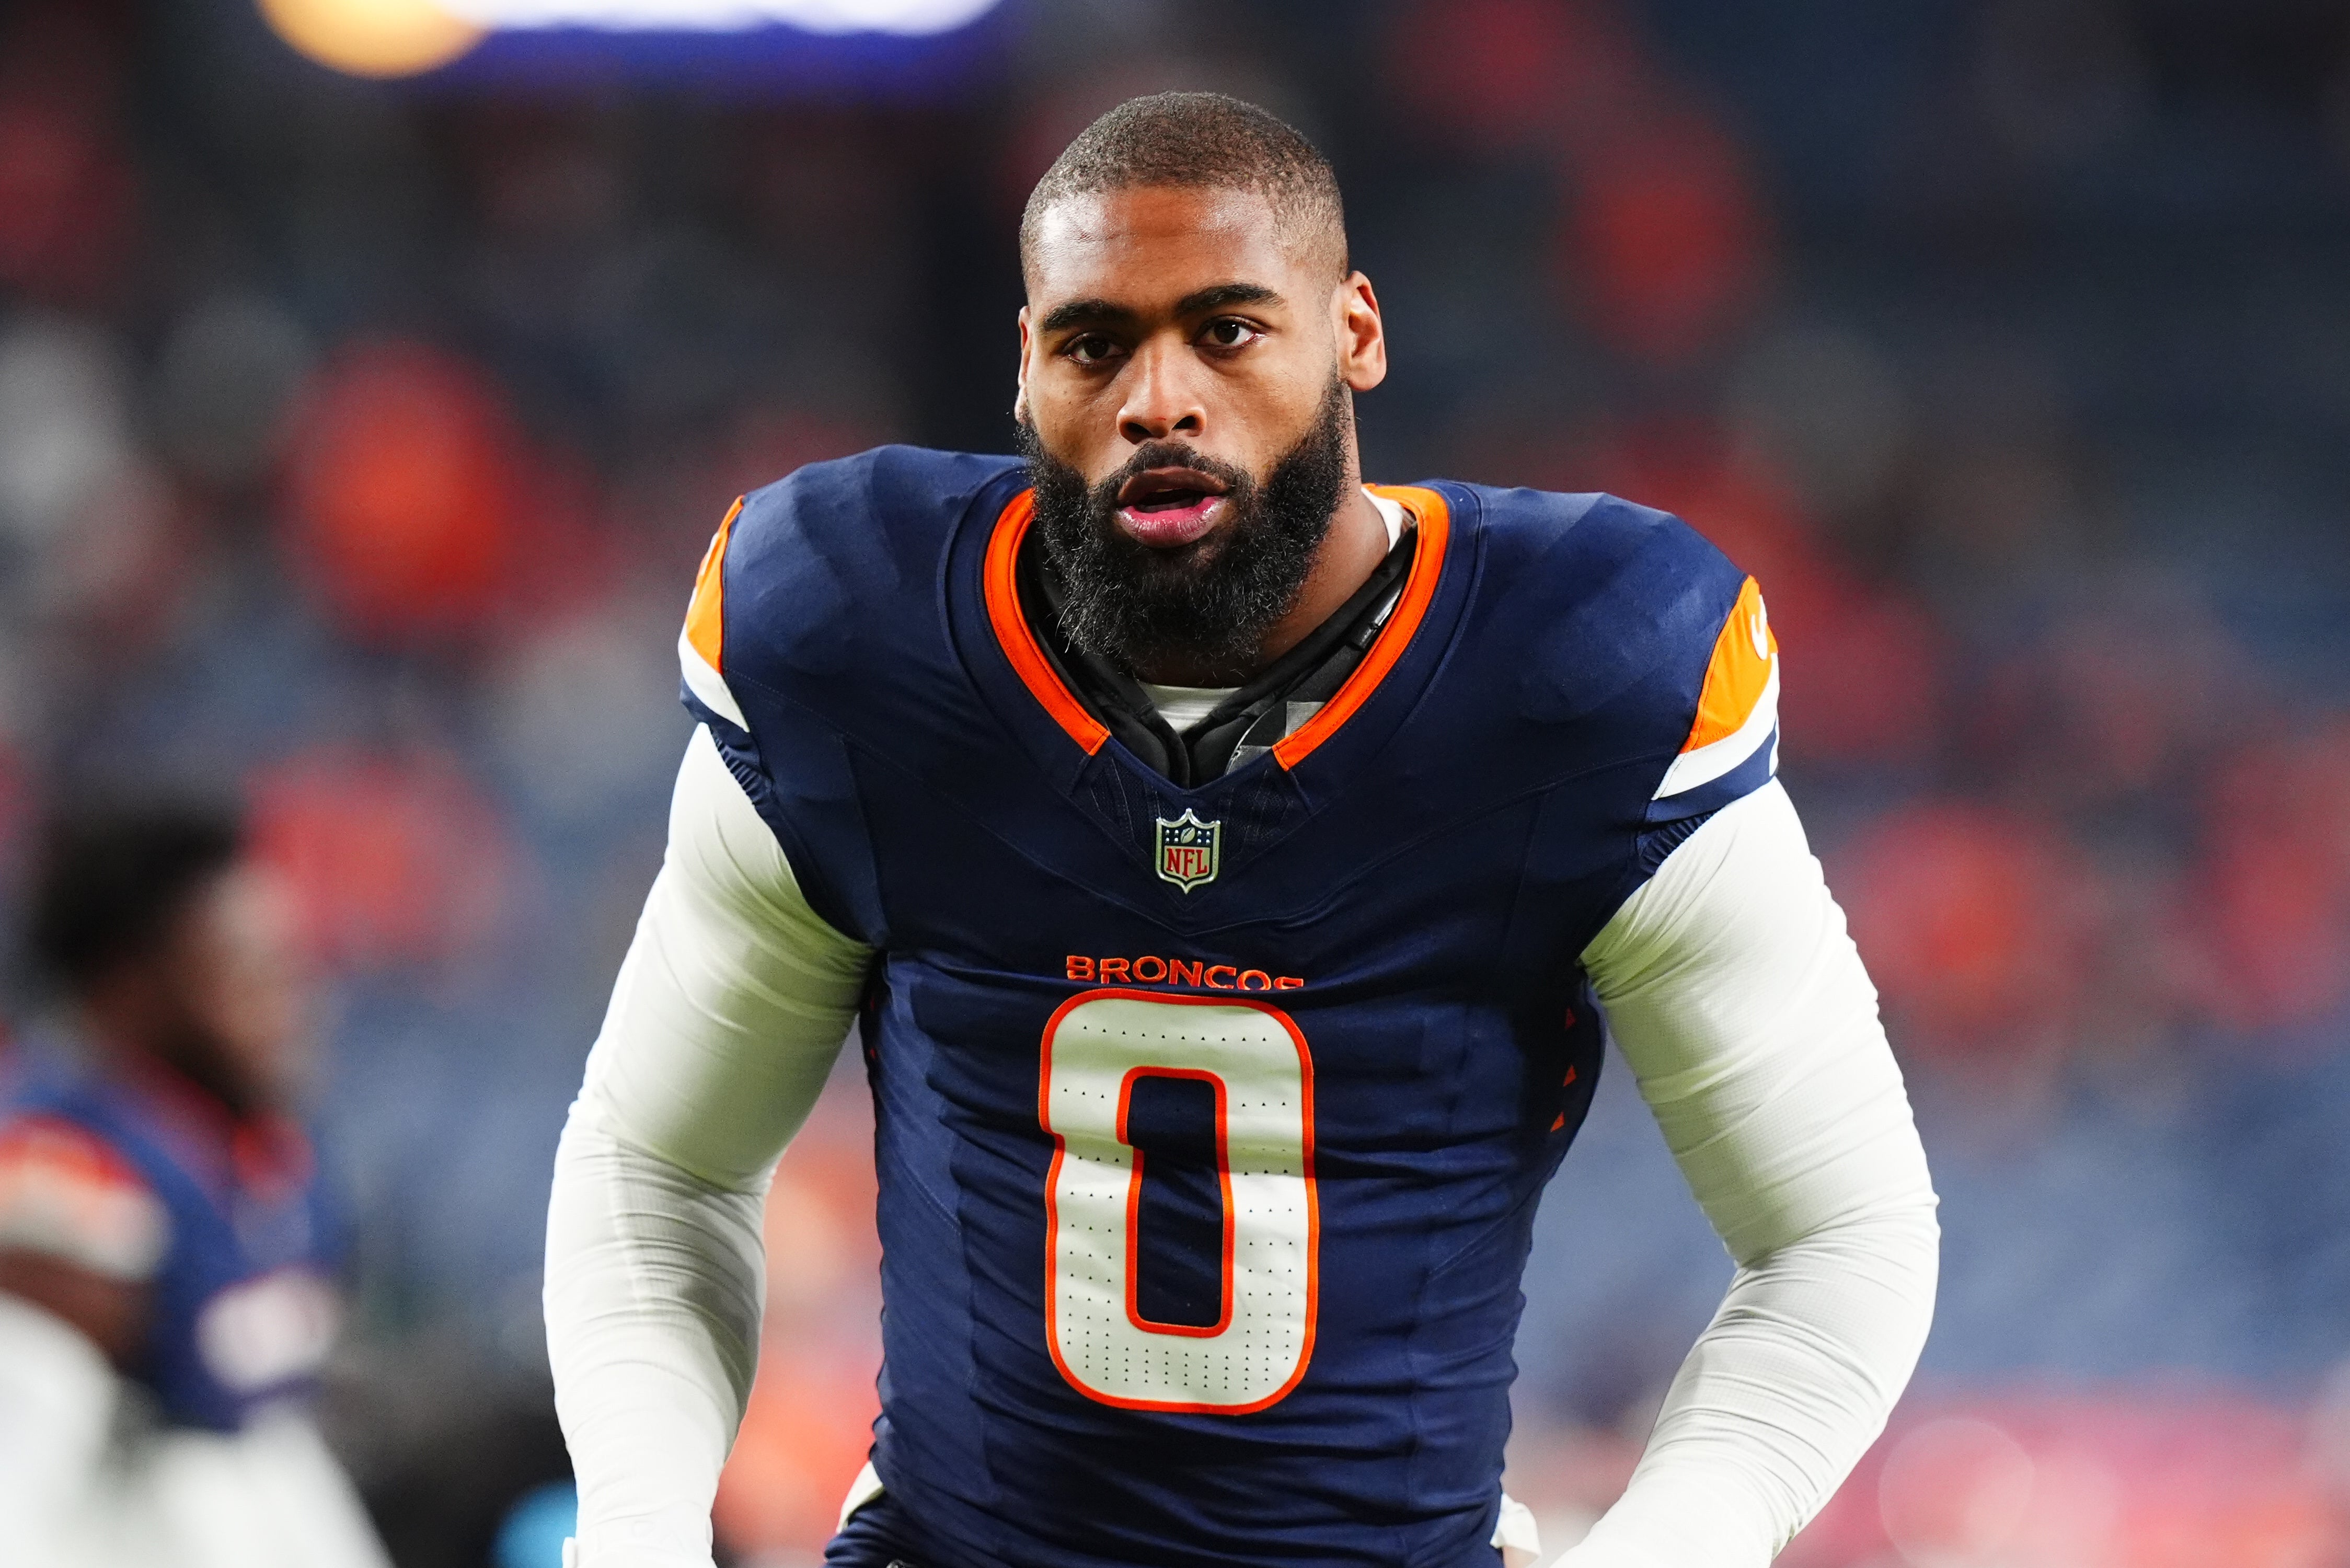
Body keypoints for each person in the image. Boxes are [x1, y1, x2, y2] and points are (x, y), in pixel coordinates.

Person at [545, 93, 1939, 1568]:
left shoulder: (1573, 673)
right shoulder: (853, 638)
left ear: (1355, 335)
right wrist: (636, 1537)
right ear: (1025, 368)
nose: (1159, 397)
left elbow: (1837, 1238)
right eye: (1096, 342)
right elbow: (661, 1168)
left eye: (1226, 329)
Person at [0, 803, 388, 1568]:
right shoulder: (61, 1179)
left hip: (241, 1482)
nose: (288, 1007)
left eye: (289, 969)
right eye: (245, 973)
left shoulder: (248, 1150)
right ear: (129, 988)